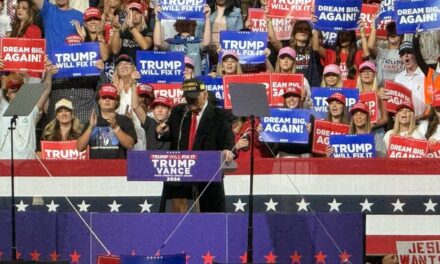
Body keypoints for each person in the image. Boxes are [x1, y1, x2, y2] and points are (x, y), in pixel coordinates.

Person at [156, 78, 235, 213]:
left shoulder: (220, 116)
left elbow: (228, 142)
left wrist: (228, 150)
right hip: (180, 177)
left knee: (208, 223)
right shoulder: (178, 112)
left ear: (204, 95)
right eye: (187, 98)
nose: (190, 101)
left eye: (193, 98)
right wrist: (161, 131)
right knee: (175, 220)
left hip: (208, 179)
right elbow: (168, 133)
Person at [0, 59, 56, 159]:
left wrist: (48, 73)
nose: (16, 90)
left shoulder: (30, 107)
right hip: (4, 160)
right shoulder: (2, 107)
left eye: (20, 88)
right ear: (7, 93)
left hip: (27, 160)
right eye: (13, 88)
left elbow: (46, 90)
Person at [77, 83, 137, 159]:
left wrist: (116, 128)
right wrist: (90, 127)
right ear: (98, 101)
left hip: (119, 168)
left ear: (116, 102)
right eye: (104, 97)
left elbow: (130, 145)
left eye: (111, 98)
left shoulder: (125, 121)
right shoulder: (92, 122)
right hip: (96, 169)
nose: (107, 100)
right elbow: (80, 148)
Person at [153, 4, 211, 76]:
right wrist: (157, 19)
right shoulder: (171, 43)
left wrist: (207, 18)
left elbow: (206, 43)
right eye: (181, 24)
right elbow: (157, 43)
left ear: (194, 26)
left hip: (195, 82)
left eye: (189, 24)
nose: (185, 26)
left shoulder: (197, 42)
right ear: (176, 27)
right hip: (176, 83)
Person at [268, 19, 322, 86]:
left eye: (306, 29)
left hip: (311, 88)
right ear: (294, 32)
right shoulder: (287, 49)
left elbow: (316, 45)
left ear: (310, 34)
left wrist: (315, 25)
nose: (303, 31)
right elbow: (273, 40)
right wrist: (269, 21)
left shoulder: (313, 49)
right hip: (292, 86)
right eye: (299, 29)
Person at [9, 0, 42, 83]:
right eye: (18, 8)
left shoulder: (33, 29)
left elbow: (36, 52)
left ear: (30, 12)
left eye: (24, 8)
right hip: (16, 74)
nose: (20, 10)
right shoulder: (14, 29)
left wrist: (26, 69)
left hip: (31, 75)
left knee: (28, 96)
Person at [393, 41, 427, 119]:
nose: (406, 56)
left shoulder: (426, 75)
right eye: (402, 54)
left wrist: (419, 117)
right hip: (404, 122)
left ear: (416, 55)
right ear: (400, 58)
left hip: (423, 121)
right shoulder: (398, 77)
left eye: (409, 52)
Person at [368, 21, 404, 86]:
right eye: (390, 31)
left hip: (398, 91)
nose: (393, 33)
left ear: (402, 36)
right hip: (382, 90)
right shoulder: (381, 52)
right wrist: (374, 24)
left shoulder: (405, 54)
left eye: (396, 31)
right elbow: (370, 46)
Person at [356, 61, 389, 130]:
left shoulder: (381, 92)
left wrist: (372, 126)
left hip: (376, 132)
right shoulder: (354, 94)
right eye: (363, 71)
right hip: (358, 131)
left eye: (369, 71)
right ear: (360, 75)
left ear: (374, 74)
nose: (366, 73)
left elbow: (385, 118)